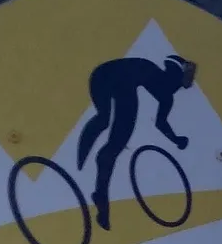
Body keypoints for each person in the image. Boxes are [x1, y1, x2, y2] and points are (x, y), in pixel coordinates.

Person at [75, 54, 196, 230]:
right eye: (179, 80)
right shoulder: (146, 69)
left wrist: (177, 139)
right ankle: (86, 159)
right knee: (104, 119)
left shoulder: (165, 96)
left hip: (124, 86)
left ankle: (101, 195)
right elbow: (159, 120)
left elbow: (161, 123)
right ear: (171, 74)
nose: (177, 87)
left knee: (114, 146)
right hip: (105, 76)